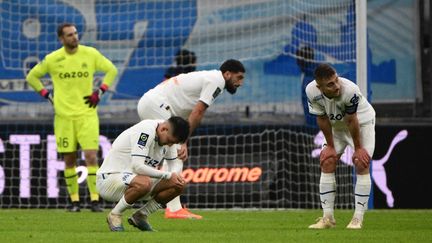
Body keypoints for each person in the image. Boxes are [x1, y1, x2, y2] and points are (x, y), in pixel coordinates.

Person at [137, 59, 246, 219]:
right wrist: (183, 140)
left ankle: (136, 192)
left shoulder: (211, 79)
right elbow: (198, 112)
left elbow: (189, 109)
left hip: (152, 103)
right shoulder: (216, 80)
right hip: (156, 104)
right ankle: (173, 209)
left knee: (161, 157)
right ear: (227, 74)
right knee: (176, 156)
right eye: (239, 77)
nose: (240, 83)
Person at [26, 23, 118, 212]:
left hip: (87, 115)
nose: (74, 37)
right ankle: (74, 201)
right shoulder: (53, 59)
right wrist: (46, 95)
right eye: (69, 35)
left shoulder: (90, 54)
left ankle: (94, 200)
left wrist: (100, 91)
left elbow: (112, 70)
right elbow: (32, 77)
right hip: (64, 117)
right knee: (69, 159)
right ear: (61, 39)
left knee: (91, 157)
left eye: (75, 33)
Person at [306, 64, 375, 229]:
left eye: (336, 80)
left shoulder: (350, 90)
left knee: (361, 162)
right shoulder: (311, 91)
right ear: (319, 86)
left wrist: (358, 148)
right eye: (330, 84)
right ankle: (327, 219)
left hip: (362, 124)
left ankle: (357, 219)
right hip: (336, 127)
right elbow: (322, 118)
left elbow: (352, 120)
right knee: (327, 160)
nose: (336, 85)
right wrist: (329, 146)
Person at [97, 116, 190, 232]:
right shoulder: (145, 131)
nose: (170, 145)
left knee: (179, 184)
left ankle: (140, 216)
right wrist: (168, 175)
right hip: (109, 180)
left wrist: (174, 175)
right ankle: (115, 215)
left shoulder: (168, 135)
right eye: (170, 141)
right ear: (163, 129)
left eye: (173, 143)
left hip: (136, 181)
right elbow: (138, 167)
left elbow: (174, 164)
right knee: (144, 182)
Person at [295, 46, 318, 127]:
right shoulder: (308, 73)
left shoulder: (310, 78)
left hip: (316, 126)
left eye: (298, 59)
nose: (296, 62)